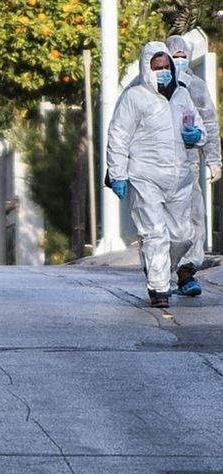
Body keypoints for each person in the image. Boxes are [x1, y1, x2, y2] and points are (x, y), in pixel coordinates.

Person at [107, 41, 206, 308]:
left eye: (166, 66)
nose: (162, 71)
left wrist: (197, 136)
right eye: (157, 67)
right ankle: (159, 288)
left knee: (184, 235)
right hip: (145, 176)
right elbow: (118, 137)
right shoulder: (134, 97)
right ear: (146, 69)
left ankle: (159, 267)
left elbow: (199, 127)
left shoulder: (182, 95)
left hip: (180, 179)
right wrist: (118, 174)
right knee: (155, 234)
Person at [165, 35, 222, 296]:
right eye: (173, 56)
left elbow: (208, 122)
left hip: (187, 165)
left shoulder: (195, 86)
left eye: (181, 56)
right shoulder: (144, 86)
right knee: (158, 223)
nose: (178, 61)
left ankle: (186, 273)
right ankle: (158, 275)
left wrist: (213, 159)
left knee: (193, 219)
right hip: (154, 167)